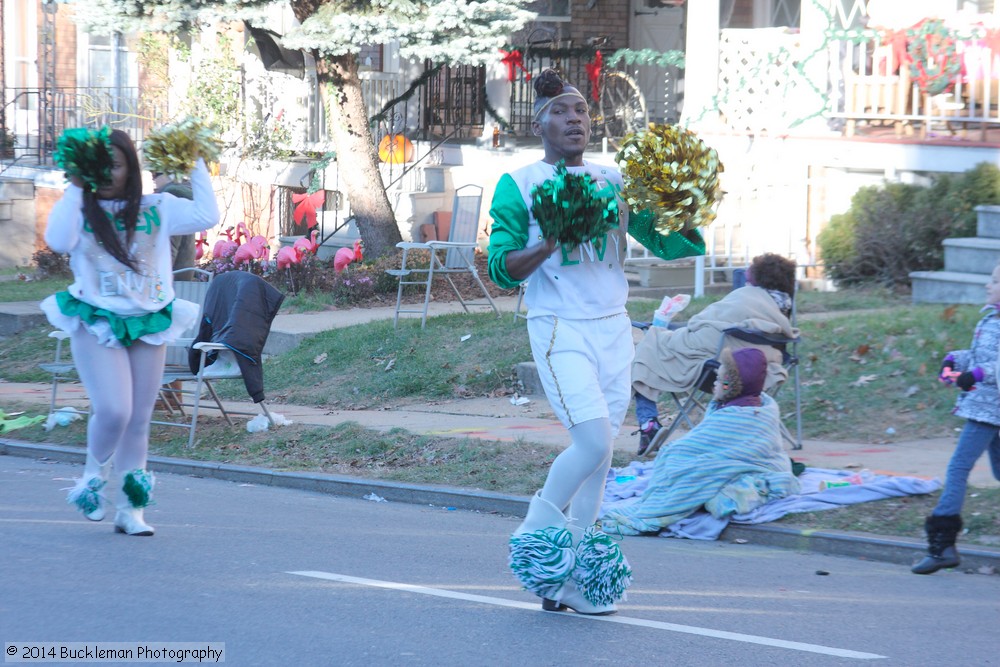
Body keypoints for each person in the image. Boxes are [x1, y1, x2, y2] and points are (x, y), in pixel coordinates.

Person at [487, 68, 706, 615]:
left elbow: (670, 243)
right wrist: (553, 239)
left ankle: (581, 577)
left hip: (614, 329)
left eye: (581, 110)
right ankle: (538, 549)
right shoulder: (522, 183)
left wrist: (689, 200)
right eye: (561, 111)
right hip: (560, 326)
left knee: (603, 459)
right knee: (593, 443)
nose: (574, 119)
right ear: (541, 124)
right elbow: (501, 267)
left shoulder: (615, 180)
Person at [41, 128, 220, 536]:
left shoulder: (158, 206)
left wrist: (193, 159)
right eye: (98, 165)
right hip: (96, 318)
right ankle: (91, 480)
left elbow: (207, 216)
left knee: (139, 418)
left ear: (131, 168)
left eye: (116, 165)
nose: (107, 173)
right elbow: (57, 239)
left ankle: (131, 509)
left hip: (147, 318)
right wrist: (74, 184)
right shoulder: (81, 211)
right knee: (115, 410)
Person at [601, 347, 800, 536]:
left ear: (732, 387)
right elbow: (706, 446)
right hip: (747, 465)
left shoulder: (740, 417)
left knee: (674, 458)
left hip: (753, 465)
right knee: (676, 456)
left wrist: (673, 455)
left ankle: (656, 507)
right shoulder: (756, 405)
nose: (714, 383)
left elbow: (693, 452)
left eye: (720, 379)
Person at [632, 252, 799, 455]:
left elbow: (698, 323)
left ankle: (648, 423)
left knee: (650, 344)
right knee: (658, 342)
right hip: (760, 369)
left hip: (717, 365)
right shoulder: (784, 307)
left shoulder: (744, 297)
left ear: (756, 279)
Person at [913, 262, 1000, 574]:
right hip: (985, 406)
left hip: (989, 410)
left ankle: (942, 546)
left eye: (993, 281)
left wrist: (978, 374)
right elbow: (981, 357)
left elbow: (993, 367)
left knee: (958, 467)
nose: (987, 286)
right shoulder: (990, 320)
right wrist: (956, 359)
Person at [152, 171, 197, 281]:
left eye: (155, 175)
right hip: (183, 275)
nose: (153, 180)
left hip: (170, 281)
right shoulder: (183, 199)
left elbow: (169, 248)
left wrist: (156, 279)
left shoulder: (171, 199)